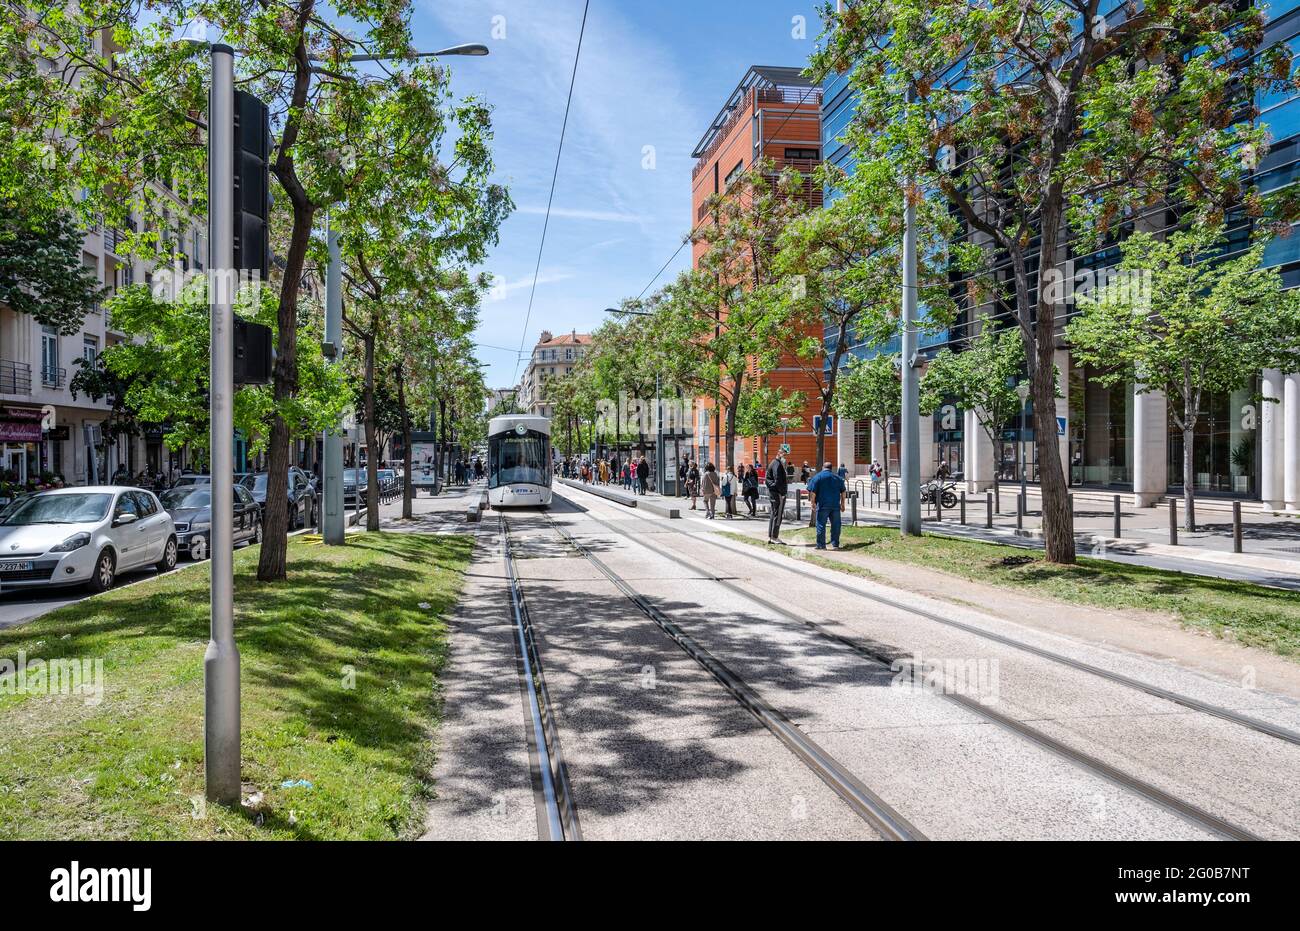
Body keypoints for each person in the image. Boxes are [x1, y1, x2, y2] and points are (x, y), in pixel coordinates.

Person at [807, 461, 847, 550]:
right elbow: (843, 491)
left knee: (821, 524)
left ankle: (821, 545)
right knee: (836, 525)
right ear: (831, 468)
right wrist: (842, 503)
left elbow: (812, 492)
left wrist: (812, 503)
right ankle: (835, 544)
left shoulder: (817, 477)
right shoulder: (838, 478)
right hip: (835, 505)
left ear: (822, 467)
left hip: (822, 505)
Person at [765, 451, 788, 543]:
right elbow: (777, 479)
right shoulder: (777, 464)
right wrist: (782, 493)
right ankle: (774, 536)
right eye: (783, 455)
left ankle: (771, 536)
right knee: (777, 515)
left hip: (774, 492)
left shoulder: (774, 463)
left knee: (774, 514)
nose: (784, 457)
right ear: (779, 454)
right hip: (777, 493)